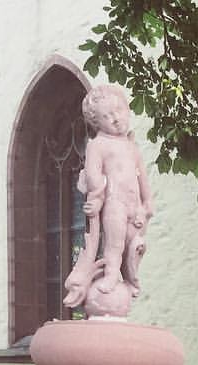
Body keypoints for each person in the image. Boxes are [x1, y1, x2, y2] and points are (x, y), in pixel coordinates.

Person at [64, 85, 153, 312]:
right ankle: (112, 273)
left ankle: (131, 279)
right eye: (107, 116)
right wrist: (96, 197)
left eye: (118, 110)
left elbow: (142, 175)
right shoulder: (98, 145)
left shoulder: (130, 146)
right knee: (114, 242)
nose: (115, 118)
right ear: (97, 123)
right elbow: (93, 174)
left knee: (133, 245)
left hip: (135, 205)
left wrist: (147, 202)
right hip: (115, 202)